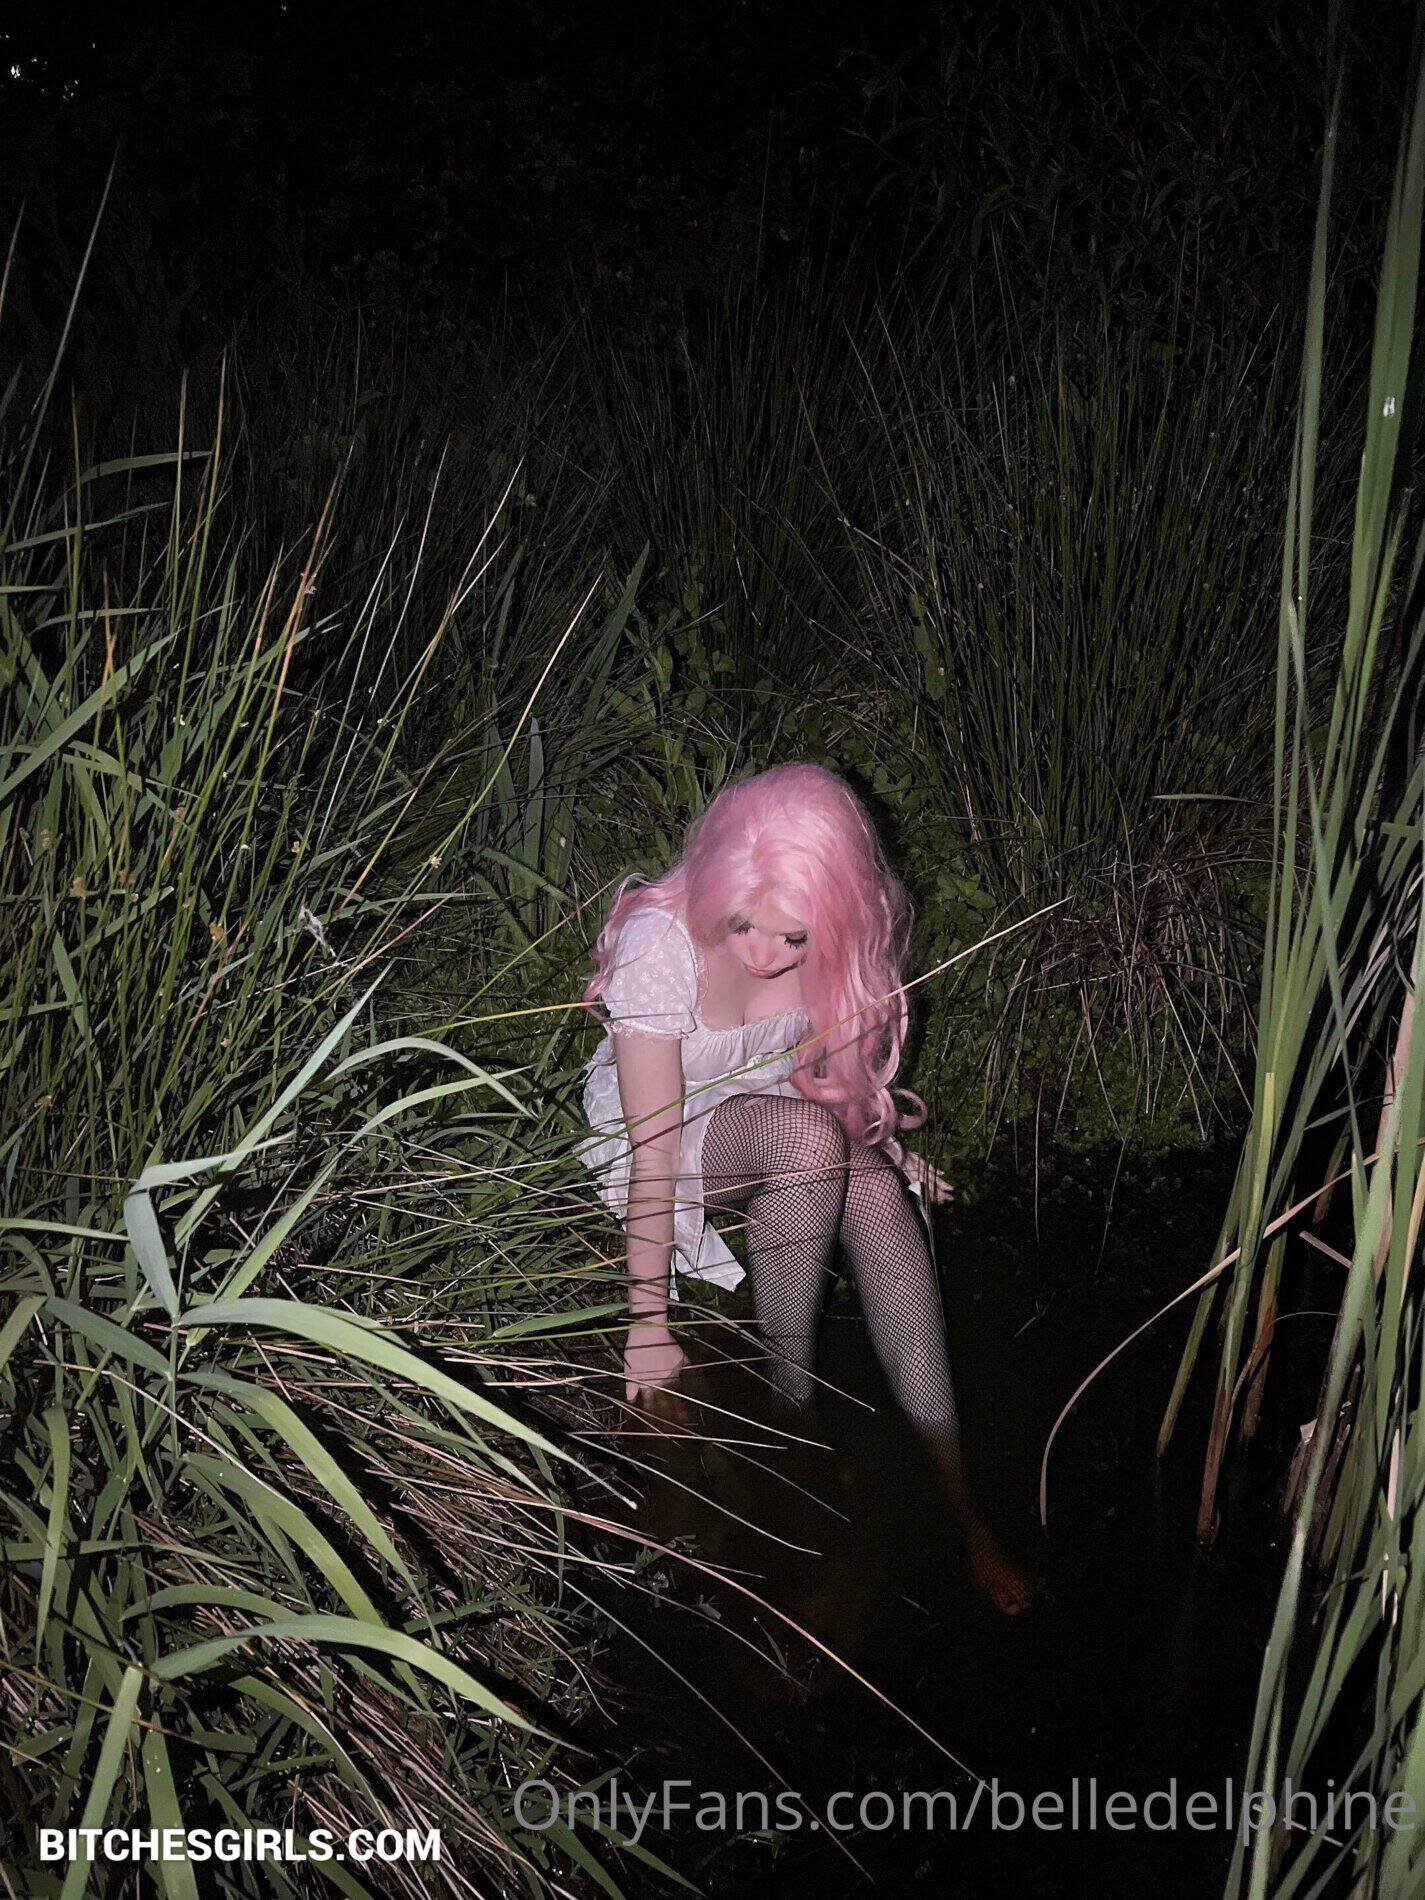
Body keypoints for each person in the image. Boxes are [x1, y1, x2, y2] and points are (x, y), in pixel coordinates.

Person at [575, 761, 1038, 1615]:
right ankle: (792, 1414)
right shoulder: (659, 942)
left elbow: (814, 1072)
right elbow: (652, 1148)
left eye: (792, 940)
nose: (764, 956)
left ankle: (956, 1491)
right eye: (744, 926)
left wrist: (883, 1146)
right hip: (670, 1142)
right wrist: (646, 1325)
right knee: (804, 1143)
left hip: (781, 1119)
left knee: (874, 1192)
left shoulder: (838, 940)